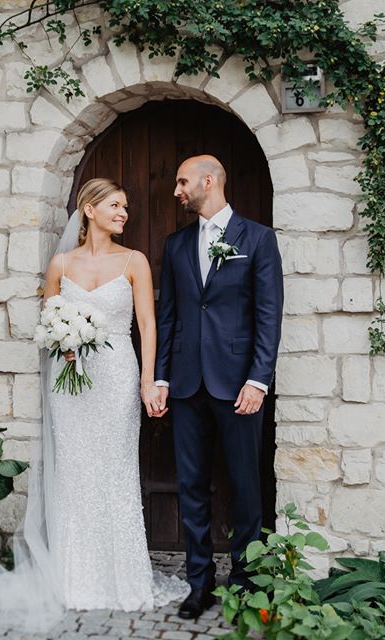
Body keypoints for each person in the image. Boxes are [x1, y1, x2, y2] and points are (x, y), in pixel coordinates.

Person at [0, 178, 188, 630]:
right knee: (73, 471)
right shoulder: (60, 263)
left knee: (115, 469)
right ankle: (71, 579)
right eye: (116, 205)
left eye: (126, 207)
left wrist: (148, 382)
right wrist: (64, 344)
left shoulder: (134, 261)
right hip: (69, 382)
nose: (124, 213)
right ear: (89, 210)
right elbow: (49, 321)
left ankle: (123, 579)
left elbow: (147, 326)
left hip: (117, 376)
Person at [154, 155, 283, 619]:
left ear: (208, 181)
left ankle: (246, 581)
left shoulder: (259, 239)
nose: (177, 191)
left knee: (246, 487)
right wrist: (161, 377)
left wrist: (258, 380)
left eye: (182, 182)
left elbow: (269, 314)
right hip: (187, 385)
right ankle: (199, 582)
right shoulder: (175, 245)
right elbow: (168, 317)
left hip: (239, 386)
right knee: (191, 486)